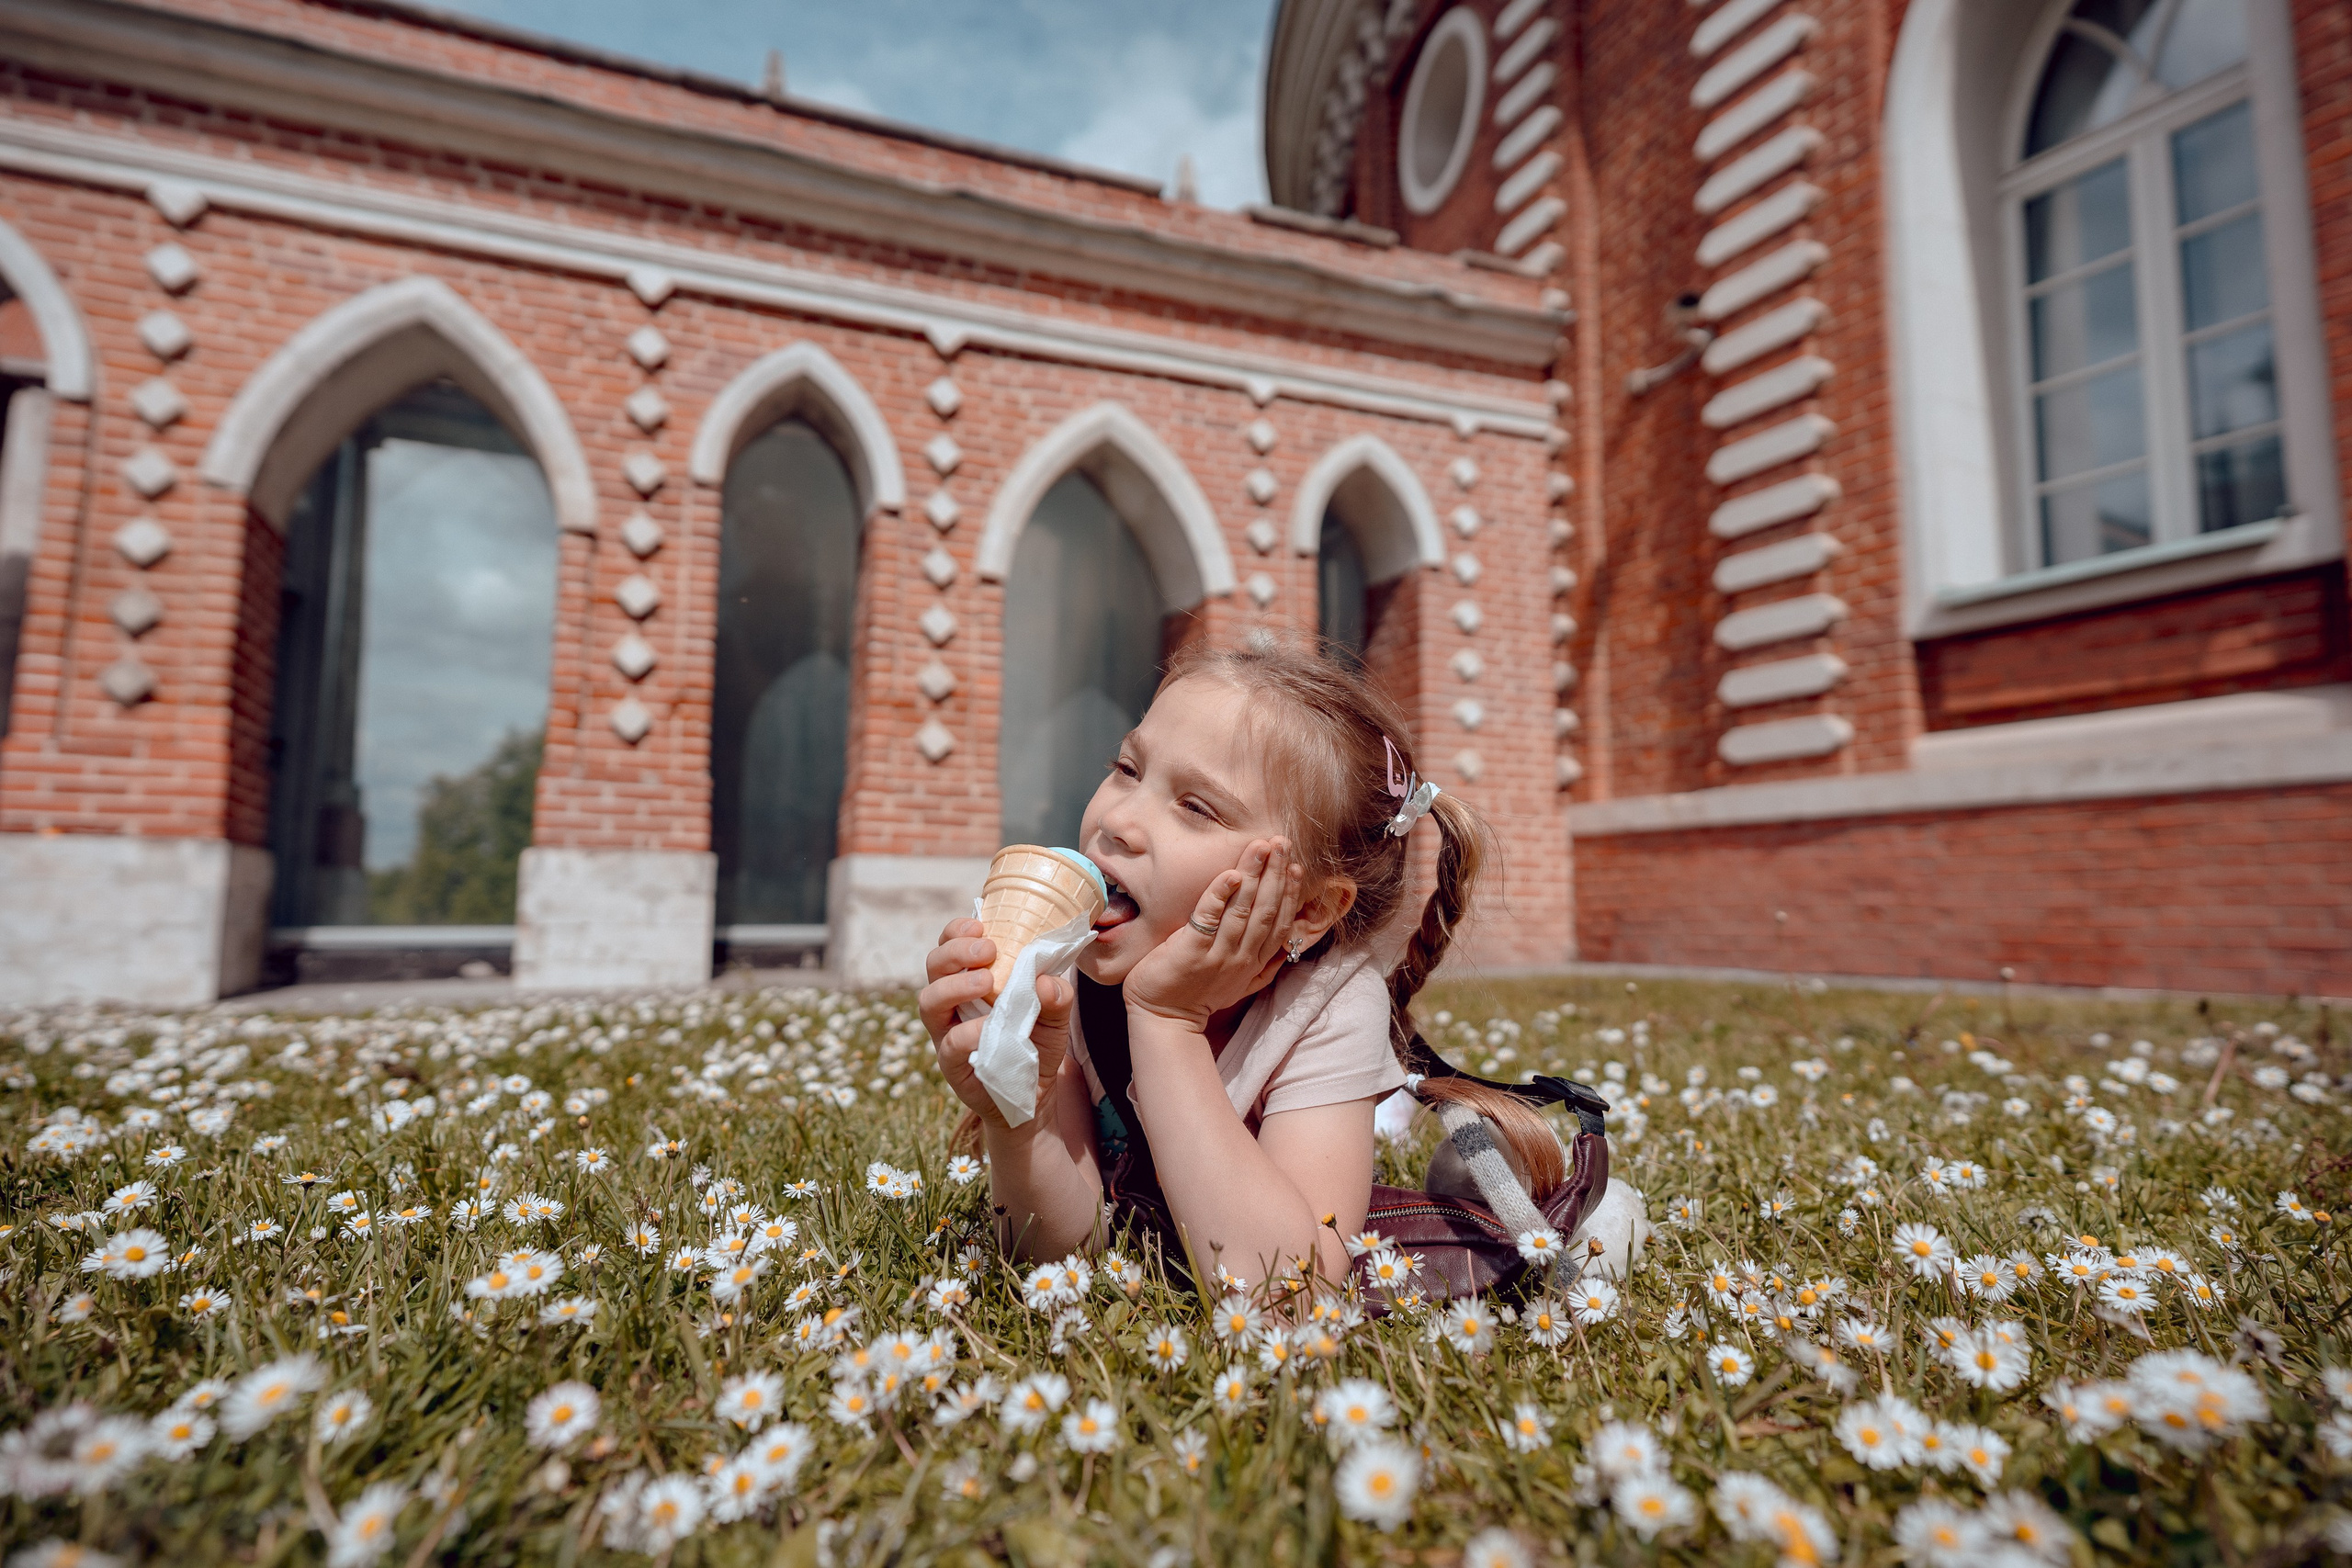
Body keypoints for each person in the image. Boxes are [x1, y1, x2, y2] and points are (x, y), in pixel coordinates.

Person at [917, 636, 1568, 1292]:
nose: (1118, 819)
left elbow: (1291, 1293)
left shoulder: (1330, 1005)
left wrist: (1168, 1021)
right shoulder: (1079, 978)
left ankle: (1406, 1123)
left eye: (1196, 806)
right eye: (1127, 768)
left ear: (1308, 909)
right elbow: (1068, 1257)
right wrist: (1020, 1119)